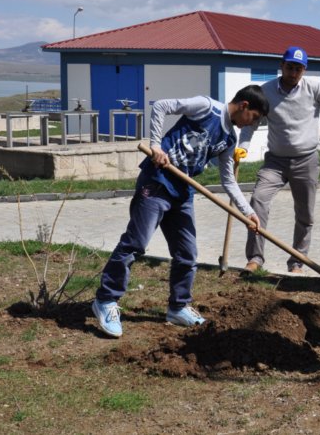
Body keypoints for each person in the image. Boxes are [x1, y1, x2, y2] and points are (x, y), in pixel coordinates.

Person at [91, 86, 269, 338]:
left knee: (187, 253)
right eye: (255, 118)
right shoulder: (207, 107)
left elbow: (228, 180)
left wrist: (248, 211)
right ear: (244, 106)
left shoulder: (229, 139)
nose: (253, 124)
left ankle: (178, 307)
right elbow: (162, 105)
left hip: (183, 190)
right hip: (158, 181)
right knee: (135, 244)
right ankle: (106, 300)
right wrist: (156, 146)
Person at [239, 46, 320, 274]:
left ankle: (297, 261)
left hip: (306, 160)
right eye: (290, 67)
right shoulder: (265, 91)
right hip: (275, 162)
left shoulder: (313, 88)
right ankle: (255, 258)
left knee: (305, 214)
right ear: (281, 66)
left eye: (298, 68)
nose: (293, 72)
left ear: (304, 70)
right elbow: (252, 122)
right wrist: (243, 147)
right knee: (258, 200)